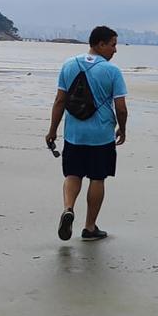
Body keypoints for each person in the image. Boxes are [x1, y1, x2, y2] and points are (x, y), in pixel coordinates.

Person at [46, 25, 128, 241]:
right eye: (113, 45)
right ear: (100, 44)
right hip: (101, 136)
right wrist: (123, 128)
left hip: (74, 134)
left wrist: (52, 130)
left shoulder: (69, 64)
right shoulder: (112, 71)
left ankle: (68, 208)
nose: (115, 50)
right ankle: (90, 227)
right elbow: (120, 107)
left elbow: (60, 100)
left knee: (73, 174)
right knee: (97, 178)